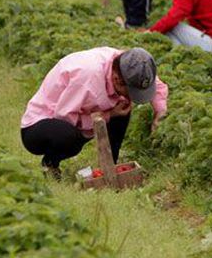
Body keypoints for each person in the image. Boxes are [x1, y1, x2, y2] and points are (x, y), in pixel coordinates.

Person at [20, 47, 168, 179]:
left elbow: (157, 85)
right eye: (131, 91)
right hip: (40, 126)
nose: (134, 97)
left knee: (122, 107)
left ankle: (110, 167)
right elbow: (64, 118)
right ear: (117, 80)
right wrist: (109, 115)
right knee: (69, 139)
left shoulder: (130, 64)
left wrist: (159, 113)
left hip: (76, 115)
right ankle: (50, 163)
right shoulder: (87, 78)